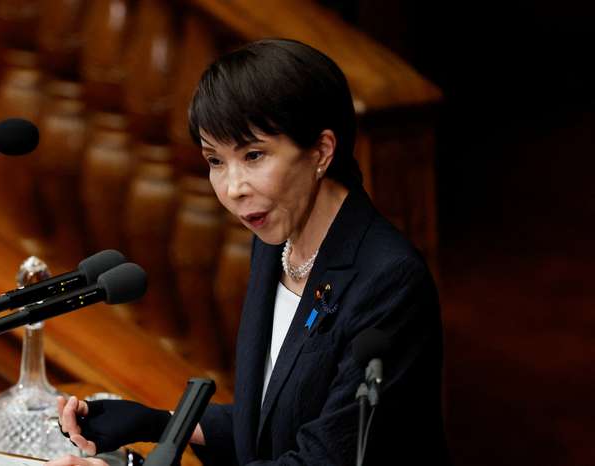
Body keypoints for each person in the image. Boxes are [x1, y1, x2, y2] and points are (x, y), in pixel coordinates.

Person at [48, 38, 450, 466]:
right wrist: (159, 423)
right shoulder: (274, 242)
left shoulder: (388, 281)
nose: (233, 188)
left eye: (253, 155)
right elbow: (272, 421)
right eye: (215, 160)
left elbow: (324, 457)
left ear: (321, 151)